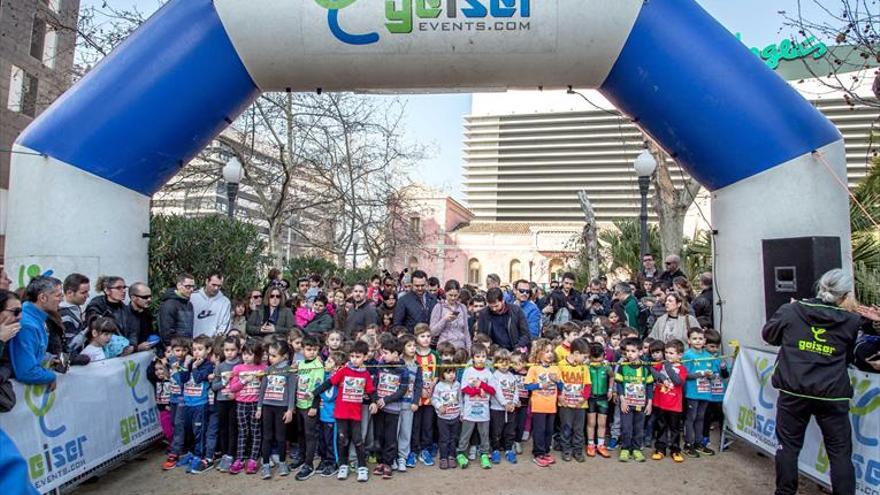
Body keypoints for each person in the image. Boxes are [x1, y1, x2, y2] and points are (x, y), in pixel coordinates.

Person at [762, 269, 860, 495]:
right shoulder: (851, 320)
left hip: (795, 389)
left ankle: (785, 492)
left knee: (787, 448)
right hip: (832, 393)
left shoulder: (792, 310)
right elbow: (850, 355)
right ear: (845, 295)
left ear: (820, 287)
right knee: (840, 453)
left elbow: (769, 335)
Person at [312, 339, 375, 482]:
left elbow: (371, 390)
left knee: (358, 441)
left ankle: (362, 467)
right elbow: (329, 382)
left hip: (356, 414)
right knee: (342, 440)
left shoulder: (365, 374)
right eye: (352, 356)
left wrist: (375, 402)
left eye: (358, 356)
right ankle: (343, 465)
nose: (354, 359)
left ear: (365, 357)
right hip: (341, 413)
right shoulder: (344, 371)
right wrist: (314, 392)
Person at [8, 276, 60, 386]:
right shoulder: (27, 325)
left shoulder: (37, 320)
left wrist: (48, 359)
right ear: (43, 298)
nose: (61, 300)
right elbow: (26, 372)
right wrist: (50, 376)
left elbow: (35, 353)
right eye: (58, 295)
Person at [370, 336, 410, 479]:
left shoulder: (403, 370)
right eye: (382, 352)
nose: (383, 356)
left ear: (396, 354)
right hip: (379, 409)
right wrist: (375, 401)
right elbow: (373, 385)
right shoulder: (380, 364)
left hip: (393, 409)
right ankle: (380, 462)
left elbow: (402, 390)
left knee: (390, 437)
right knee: (378, 436)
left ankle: (388, 463)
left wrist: (386, 400)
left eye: (386, 353)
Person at [257, 340, 296, 480]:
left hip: (282, 408)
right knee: (266, 436)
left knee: (281, 437)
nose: (270, 358)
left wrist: (290, 410)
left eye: (274, 356)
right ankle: (266, 464)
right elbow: (262, 390)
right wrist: (259, 407)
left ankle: (282, 462)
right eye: (269, 355)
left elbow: (292, 391)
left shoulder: (289, 371)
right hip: (267, 407)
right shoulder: (267, 370)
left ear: (284, 356)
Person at [227, 340, 267, 475]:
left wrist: (260, 378)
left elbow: (265, 386)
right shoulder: (237, 369)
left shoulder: (263, 367)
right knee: (243, 432)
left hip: (256, 404)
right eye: (244, 354)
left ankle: (253, 460)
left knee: (256, 432)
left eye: (250, 354)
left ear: (257, 355)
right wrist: (244, 380)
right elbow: (232, 388)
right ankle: (239, 459)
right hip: (241, 404)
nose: (246, 357)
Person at [615, 337, 654, 463]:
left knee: (639, 427)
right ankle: (625, 448)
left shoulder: (645, 368)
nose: (629, 354)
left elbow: (649, 386)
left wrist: (649, 402)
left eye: (633, 351)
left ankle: (636, 449)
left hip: (641, 404)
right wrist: (622, 400)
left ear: (640, 352)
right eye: (628, 351)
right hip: (626, 403)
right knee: (626, 427)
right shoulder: (622, 367)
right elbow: (619, 384)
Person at [524, 338, 562, 468]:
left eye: (551, 351)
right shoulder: (534, 369)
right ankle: (538, 453)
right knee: (539, 430)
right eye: (546, 351)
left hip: (551, 406)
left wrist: (557, 380)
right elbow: (527, 386)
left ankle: (546, 451)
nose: (550, 354)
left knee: (548, 430)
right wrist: (540, 385)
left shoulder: (556, 369)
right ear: (539, 353)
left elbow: (562, 386)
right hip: (539, 405)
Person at [457, 344, 495, 470]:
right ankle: (461, 453)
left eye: (483, 356)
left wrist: (481, 384)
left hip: (484, 411)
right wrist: (478, 391)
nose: (481, 359)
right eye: (478, 356)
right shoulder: (468, 371)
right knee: (465, 434)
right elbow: (464, 388)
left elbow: (492, 390)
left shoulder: (488, 373)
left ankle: (484, 454)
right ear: (473, 357)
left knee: (484, 434)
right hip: (469, 410)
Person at [682, 328, 717, 458]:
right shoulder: (687, 355)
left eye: (700, 338)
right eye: (695, 338)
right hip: (692, 393)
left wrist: (711, 375)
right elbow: (685, 375)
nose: (698, 341)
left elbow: (713, 375)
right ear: (689, 341)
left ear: (705, 341)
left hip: (705, 392)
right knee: (691, 417)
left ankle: (698, 442)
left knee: (701, 417)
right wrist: (701, 374)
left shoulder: (709, 356)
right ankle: (688, 444)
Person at [651, 339, 687, 463]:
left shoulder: (682, 368)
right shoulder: (661, 364)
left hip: (674, 405)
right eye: (666, 352)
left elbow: (678, 382)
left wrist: (668, 368)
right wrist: (661, 376)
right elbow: (652, 370)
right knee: (661, 427)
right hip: (660, 402)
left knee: (675, 429)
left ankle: (675, 450)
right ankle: (660, 449)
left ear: (680, 355)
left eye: (671, 353)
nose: (667, 355)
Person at [557, 338, 592, 463]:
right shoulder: (561, 365)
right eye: (585, 356)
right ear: (576, 353)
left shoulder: (584, 367)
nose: (586, 359)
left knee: (578, 429)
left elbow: (588, 385)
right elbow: (558, 383)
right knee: (566, 427)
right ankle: (566, 450)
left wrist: (583, 398)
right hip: (565, 404)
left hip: (580, 405)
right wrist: (560, 396)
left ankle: (577, 451)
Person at [488, 348, 519, 465]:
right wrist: (505, 403)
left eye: (507, 362)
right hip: (497, 409)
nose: (504, 365)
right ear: (496, 362)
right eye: (501, 362)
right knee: (496, 431)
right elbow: (496, 392)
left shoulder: (512, 376)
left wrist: (514, 403)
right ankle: (495, 450)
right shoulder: (494, 376)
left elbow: (516, 390)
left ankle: (509, 449)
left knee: (510, 431)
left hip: (511, 408)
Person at [476, 288, 530, 352]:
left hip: (514, 350)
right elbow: (481, 336)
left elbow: (525, 334)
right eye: (491, 307)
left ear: (503, 301)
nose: (494, 309)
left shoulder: (516, 311)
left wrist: (518, 347)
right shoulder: (484, 314)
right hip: (493, 351)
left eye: (496, 306)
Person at [431, 360, 462, 470]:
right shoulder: (439, 386)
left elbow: (461, 399)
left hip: (455, 416)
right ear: (442, 374)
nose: (451, 375)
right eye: (448, 372)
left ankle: (451, 456)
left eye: (453, 372)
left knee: (453, 438)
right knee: (444, 438)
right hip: (443, 418)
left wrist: (461, 413)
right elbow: (434, 399)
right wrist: (439, 406)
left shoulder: (458, 385)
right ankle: (443, 458)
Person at [429, 279, 470, 351]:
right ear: (445, 293)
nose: (453, 298)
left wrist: (469, 348)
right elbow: (432, 332)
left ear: (459, 294)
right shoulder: (439, 307)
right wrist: (444, 319)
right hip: (445, 348)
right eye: (450, 295)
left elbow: (466, 330)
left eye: (455, 295)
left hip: (460, 348)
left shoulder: (462, 307)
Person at [191, 272, 231, 339]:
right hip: (192, 341)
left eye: (219, 286)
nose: (216, 288)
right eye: (213, 285)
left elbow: (224, 326)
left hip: (212, 343)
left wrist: (214, 341)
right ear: (207, 281)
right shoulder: (193, 297)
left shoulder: (225, 302)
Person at [158, 274, 196, 344]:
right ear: (179, 286)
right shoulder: (169, 304)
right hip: (174, 349)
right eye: (188, 286)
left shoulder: (189, 304)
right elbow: (166, 332)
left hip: (186, 347)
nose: (191, 290)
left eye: (193, 287)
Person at [59, 273, 89, 349]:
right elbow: (69, 346)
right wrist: (89, 329)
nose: (87, 295)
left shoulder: (75, 309)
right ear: (69, 293)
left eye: (87, 291)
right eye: (83, 292)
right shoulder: (64, 315)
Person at [125, 282, 155, 350]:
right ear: (133, 298)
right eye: (145, 297)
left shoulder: (147, 313)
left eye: (150, 296)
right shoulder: (124, 315)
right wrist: (137, 348)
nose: (149, 299)